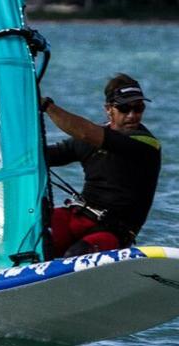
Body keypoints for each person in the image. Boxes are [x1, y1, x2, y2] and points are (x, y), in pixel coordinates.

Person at [39, 73, 162, 258]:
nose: (132, 115)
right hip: (78, 217)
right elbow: (44, 156)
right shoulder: (90, 140)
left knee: (76, 255)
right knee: (33, 234)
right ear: (109, 110)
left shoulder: (146, 144)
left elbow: (86, 132)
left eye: (138, 108)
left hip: (111, 233)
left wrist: (47, 106)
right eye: (124, 108)